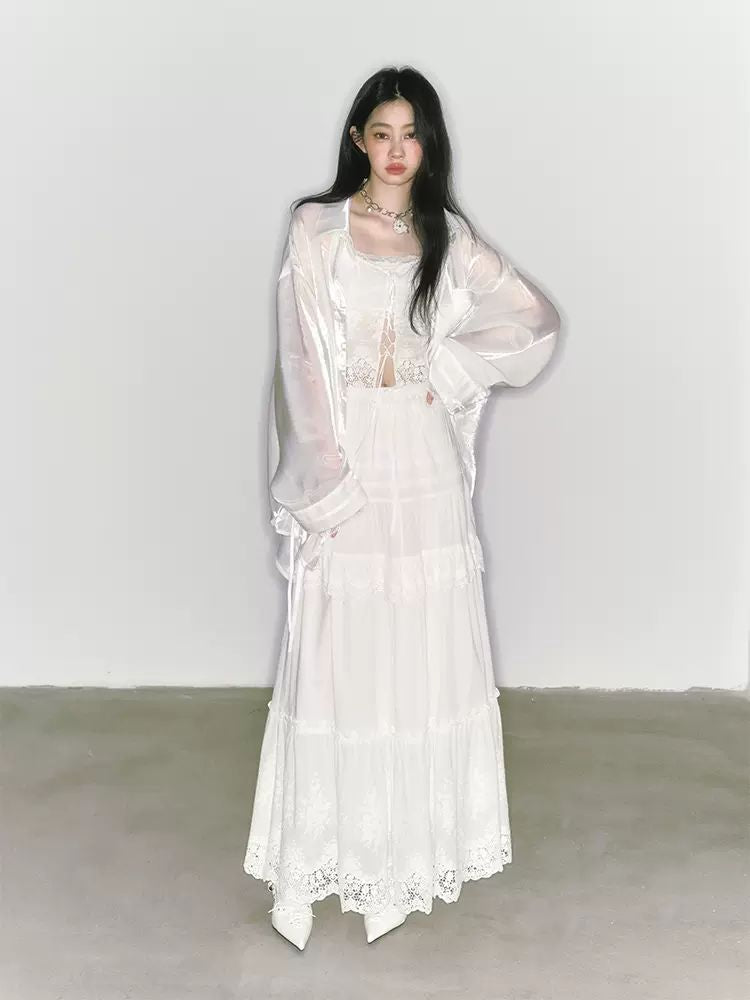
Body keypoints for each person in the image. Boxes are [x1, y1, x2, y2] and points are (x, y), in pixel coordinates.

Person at [243, 65, 562, 950]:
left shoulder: (446, 236)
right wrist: (324, 473)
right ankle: (303, 867)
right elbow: (299, 363)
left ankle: (395, 866)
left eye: (411, 133)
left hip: (422, 462)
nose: (396, 149)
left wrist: (447, 370)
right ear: (357, 140)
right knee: (333, 650)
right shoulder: (316, 229)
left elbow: (532, 320)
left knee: (412, 651)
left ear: (429, 145)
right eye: (381, 132)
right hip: (347, 452)